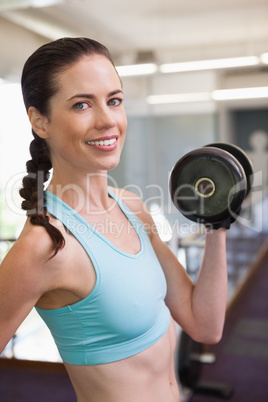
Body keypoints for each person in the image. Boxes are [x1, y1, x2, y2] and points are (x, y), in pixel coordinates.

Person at [0, 37, 228, 402]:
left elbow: (205, 325)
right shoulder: (44, 246)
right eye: (81, 105)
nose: (107, 120)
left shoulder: (131, 207)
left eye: (114, 100)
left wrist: (218, 222)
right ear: (39, 121)